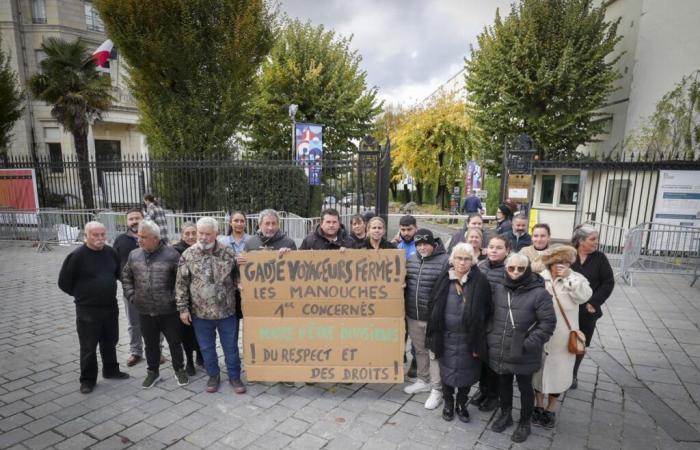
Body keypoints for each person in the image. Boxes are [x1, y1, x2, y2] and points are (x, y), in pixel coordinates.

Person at [488, 253, 556, 443]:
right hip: (501, 348)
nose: (516, 272)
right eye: (511, 268)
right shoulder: (499, 289)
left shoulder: (539, 293)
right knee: (504, 384)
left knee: (526, 388)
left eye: (520, 268)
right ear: (506, 269)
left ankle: (524, 422)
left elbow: (548, 324)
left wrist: (527, 344)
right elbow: (490, 316)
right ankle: (506, 414)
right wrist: (490, 336)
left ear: (527, 270)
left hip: (524, 352)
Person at [176, 217, 246, 394]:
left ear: (216, 234)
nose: (203, 237)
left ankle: (234, 376)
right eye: (200, 233)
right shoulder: (188, 255)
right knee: (206, 347)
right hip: (200, 313)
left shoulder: (228, 252)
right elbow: (181, 284)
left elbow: (237, 275)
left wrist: (240, 282)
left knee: (230, 347)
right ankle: (213, 375)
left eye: (208, 234)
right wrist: (183, 309)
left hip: (227, 312)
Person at [58, 221, 129, 394]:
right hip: (87, 309)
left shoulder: (111, 252)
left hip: (110, 306)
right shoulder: (77, 256)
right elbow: (64, 283)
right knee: (89, 346)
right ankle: (88, 380)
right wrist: (83, 296)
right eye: (95, 235)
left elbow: (117, 274)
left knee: (110, 340)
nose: (99, 238)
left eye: (102, 235)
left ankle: (111, 369)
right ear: (86, 236)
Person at [426, 243, 491, 422]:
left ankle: (461, 404)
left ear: (473, 261)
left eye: (466, 259)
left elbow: (487, 311)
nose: (462, 262)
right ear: (452, 259)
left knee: (466, 375)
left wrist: (479, 339)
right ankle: (448, 403)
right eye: (458, 258)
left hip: (469, 339)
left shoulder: (480, 281)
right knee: (446, 373)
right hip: (445, 336)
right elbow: (433, 303)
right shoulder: (444, 278)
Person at [121, 220, 189, 389]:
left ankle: (179, 369)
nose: (140, 240)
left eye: (144, 237)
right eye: (139, 237)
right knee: (150, 344)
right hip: (144, 310)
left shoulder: (172, 255)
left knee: (174, 342)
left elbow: (182, 281)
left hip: (169, 310)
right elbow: (126, 277)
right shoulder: (134, 255)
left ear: (156, 238)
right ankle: (153, 372)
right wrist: (132, 296)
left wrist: (173, 298)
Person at [533, 245, 592, 428]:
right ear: (550, 263)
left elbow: (585, 296)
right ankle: (538, 406)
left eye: (566, 262)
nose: (562, 265)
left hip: (563, 337)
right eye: (558, 262)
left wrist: (568, 277)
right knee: (537, 373)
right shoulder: (539, 278)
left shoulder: (576, 278)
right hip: (540, 334)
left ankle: (551, 408)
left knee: (558, 375)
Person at [403, 228, 448, 410]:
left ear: (433, 243)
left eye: (425, 244)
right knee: (419, 350)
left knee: (434, 353)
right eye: (419, 244)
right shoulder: (411, 259)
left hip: (433, 318)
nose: (422, 247)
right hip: (413, 315)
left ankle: (437, 389)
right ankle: (424, 380)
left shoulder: (444, 260)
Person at [570, 224, 615, 389]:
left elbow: (608, 282)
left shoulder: (600, 258)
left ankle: (573, 374)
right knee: (562, 341)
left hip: (587, 310)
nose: (596, 242)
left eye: (596, 239)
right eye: (592, 239)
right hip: (567, 308)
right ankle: (561, 370)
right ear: (581, 241)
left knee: (580, 343)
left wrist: (594, 303)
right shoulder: (569, 254)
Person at [473, 235, 512, 412]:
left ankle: (493, 395)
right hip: (481, 320)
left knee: (494, 362)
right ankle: (483, 390)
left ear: (507, 251)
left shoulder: (509, 270)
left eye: (499, 247)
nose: (494, 250)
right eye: (491, 247)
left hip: (498, 322)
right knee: (482, 358)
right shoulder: (480, 266)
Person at [112, 208, 146, 367]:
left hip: (152, 289)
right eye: (131, 219)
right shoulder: (120, 241)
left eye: (137, 218)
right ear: (127, 222)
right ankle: (136, 352)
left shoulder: (153, 237)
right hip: (130, 289)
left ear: (143, 218)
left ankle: (157, 351)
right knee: (134, 322)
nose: (134, 221)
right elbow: (115, 265)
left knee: (155, 321)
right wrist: (125, 282)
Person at [172, 222, 203, 374]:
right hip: (185, 298)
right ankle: (189, 361)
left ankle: (200, 356)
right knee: (186, 333)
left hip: (202, 299)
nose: (191, 236)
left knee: (201, 331)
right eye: (187, 233)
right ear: (182, 235)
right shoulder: (175, 251)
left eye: (193, 233)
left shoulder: (203, 248)